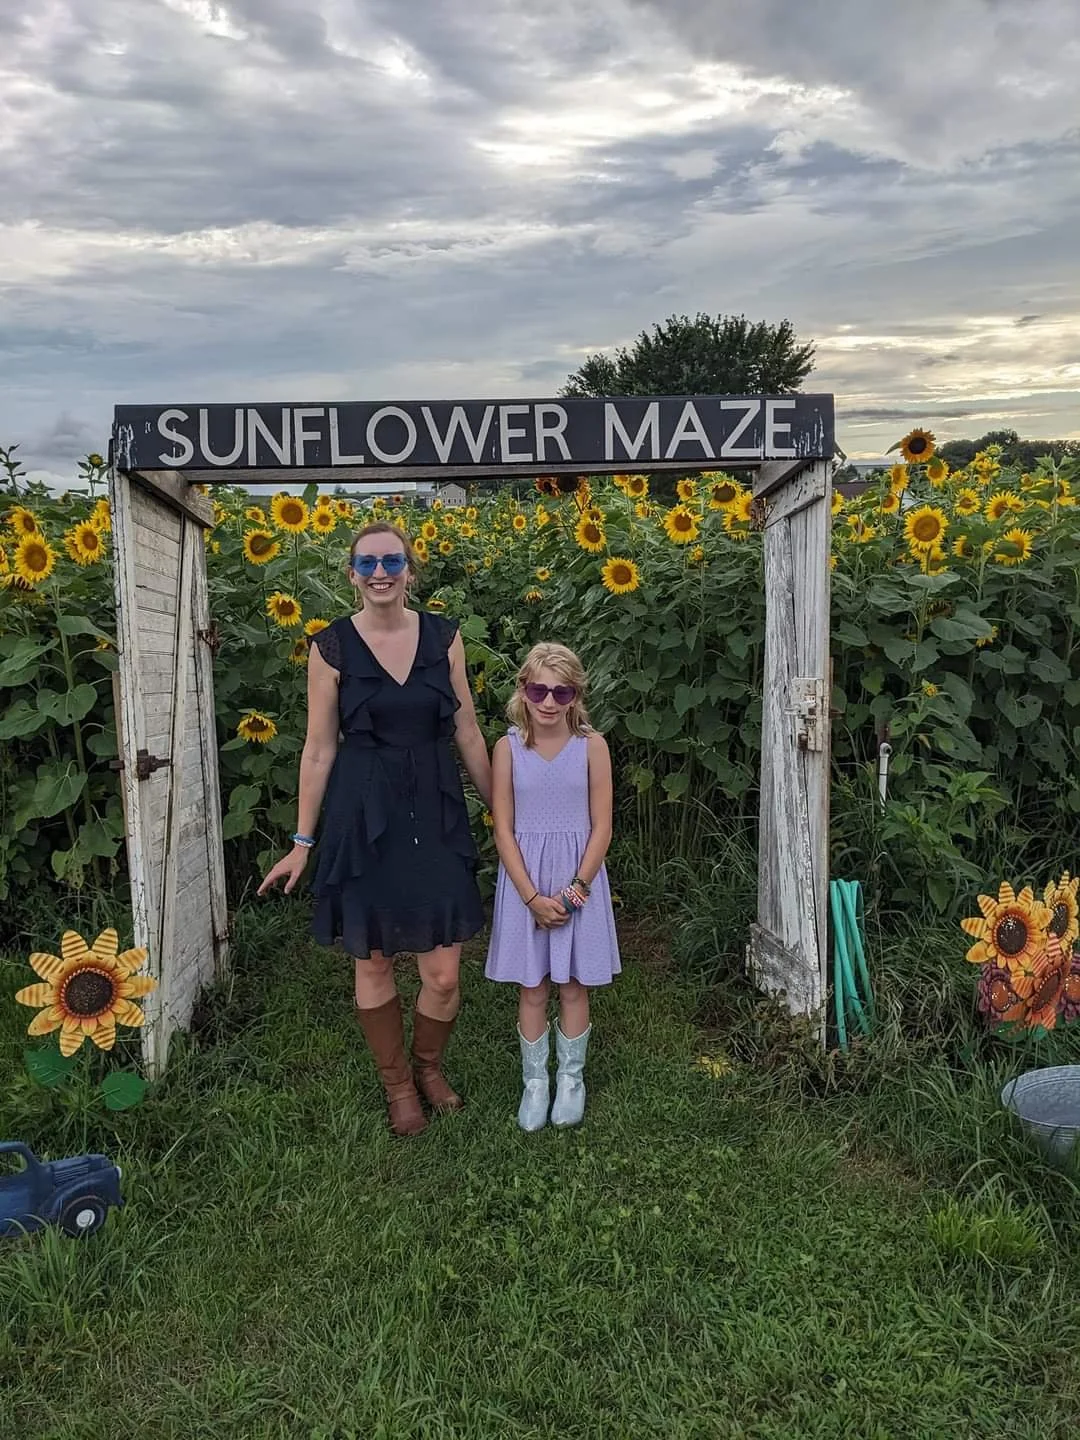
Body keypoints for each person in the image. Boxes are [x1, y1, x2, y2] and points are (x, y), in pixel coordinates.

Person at [258, 520, 491, 1138]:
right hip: (361, 814)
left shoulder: (444, 637)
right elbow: (318, 750)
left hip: (435, 808)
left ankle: (429, 1066)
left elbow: (468, 731)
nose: (380, 573)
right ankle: (398, 1086)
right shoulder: (330, 647)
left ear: (410, 571)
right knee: (376, 960)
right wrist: (302, 842)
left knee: (444, 972)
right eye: (368, 563)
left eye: (392, 561)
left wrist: (503, 812)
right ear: (352, 575)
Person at [485, 642, 621, 1130]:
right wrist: (531, 897)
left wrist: (575, 891)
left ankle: (571, 1079)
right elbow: (503, 829)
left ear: (575, 696)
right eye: (538, 690)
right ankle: (535, 1083)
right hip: (526, 879)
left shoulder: (592, 747)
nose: (548, 702)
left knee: (573, 984)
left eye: (561, 692)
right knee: (532, 986)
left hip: (577, 877)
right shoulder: (507, 749)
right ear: (523, 690)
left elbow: (602, 826)